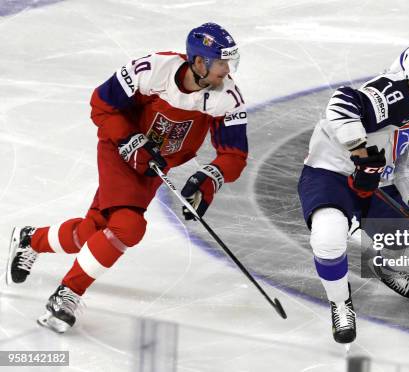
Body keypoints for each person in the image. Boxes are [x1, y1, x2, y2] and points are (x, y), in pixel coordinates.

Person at [6, 22, 248, 333]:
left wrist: (208, 180)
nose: (227, 70)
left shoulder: (228, 97)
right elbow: (102, 105)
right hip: (121, 151)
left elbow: (234, 155)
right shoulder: (152, 70)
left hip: (154, 166)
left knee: (95, 230)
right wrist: (129, 140)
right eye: (221, 62)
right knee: (128, 226)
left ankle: (32, 239)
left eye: (230, 62)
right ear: (199, 62)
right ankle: (67, 294)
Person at [297, 40, 409, 344]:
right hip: (332, 173)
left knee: (404, 235)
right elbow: (341, 101)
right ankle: (341, 302)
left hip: (377, 182)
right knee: (328, 237)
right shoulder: (390, 92)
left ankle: (378, 263)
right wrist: (359, 151)